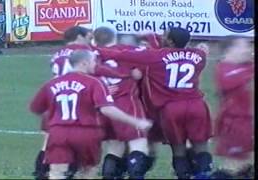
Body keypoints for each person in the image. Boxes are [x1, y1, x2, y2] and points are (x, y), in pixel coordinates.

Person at [97, 27, 213, 179]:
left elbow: (122, 55)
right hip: (196, 105)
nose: (162, 37)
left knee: (178, 148)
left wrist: (96, 51)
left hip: (172, 108)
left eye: (164, 36)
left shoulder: (157, 56)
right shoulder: (199, 55)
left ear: (170, 41)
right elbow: (200, 52)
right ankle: (203, 175)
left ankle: (183, 175)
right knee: (201, 145)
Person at [29, 50, 153, 179]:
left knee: (56, 172)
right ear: (84, 63)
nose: (96, 65)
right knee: (87, 171)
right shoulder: (95, 82)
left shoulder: (52, 84)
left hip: (59, 132)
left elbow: (37, 108)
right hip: (86, 132)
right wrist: (135, 121)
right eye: (94, 62)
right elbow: (107, 109)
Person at [93, 27, 155, 179]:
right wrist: (149, 37)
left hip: (102, 106)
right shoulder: (126, 51)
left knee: (114, 146)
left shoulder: (90, 55)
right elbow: (140, 72)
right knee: (138, 144)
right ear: (114, 38)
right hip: (126, 104)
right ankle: (135, 175)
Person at [210, 36, 254, 179]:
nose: (248, 49)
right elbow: (228, 82)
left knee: (244, 167)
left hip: (246, 123)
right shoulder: (223, 68)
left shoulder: (247, 66)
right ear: (229, 51)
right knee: (233, 167)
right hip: (234, 124)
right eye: (243, 46)